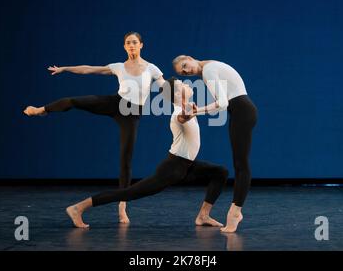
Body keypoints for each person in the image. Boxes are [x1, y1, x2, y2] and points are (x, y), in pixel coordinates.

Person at [23, 32, 165, 224]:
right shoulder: (118, 67)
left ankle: (122, 206)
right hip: (115, 103)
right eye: (128, 43)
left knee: (126, 160)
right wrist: (65, 68)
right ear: (124, 47)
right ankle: (41, 110)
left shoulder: (151, 68)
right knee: (74, 101)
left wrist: (180, 96)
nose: (131, 45)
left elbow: (165, 87)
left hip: (131, 114)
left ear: (141, 45)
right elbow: (88, 69)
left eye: (134, 42)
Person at [65, 77, 228, 229]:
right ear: (178, 94)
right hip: (173, 168)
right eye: (182, 85)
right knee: (128, 193)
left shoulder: (189, 108)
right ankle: (78, 208)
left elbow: (199, 110)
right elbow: (182, 117)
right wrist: (188, 113)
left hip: (188, 165)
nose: (187, 84)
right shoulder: (179, 113)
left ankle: (203, 216)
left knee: (220, 172)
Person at [173, 55, 258, 232]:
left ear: (190, 58)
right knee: (239, 163)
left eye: (185, 65)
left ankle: (235, 213)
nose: (187, 71)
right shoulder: (212, 65)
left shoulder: (209, 70)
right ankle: (234, 211)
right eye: (183, 72)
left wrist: (198, 112)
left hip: (241, 110)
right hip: (241, 110)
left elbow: (221, 103)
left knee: (241, 165)